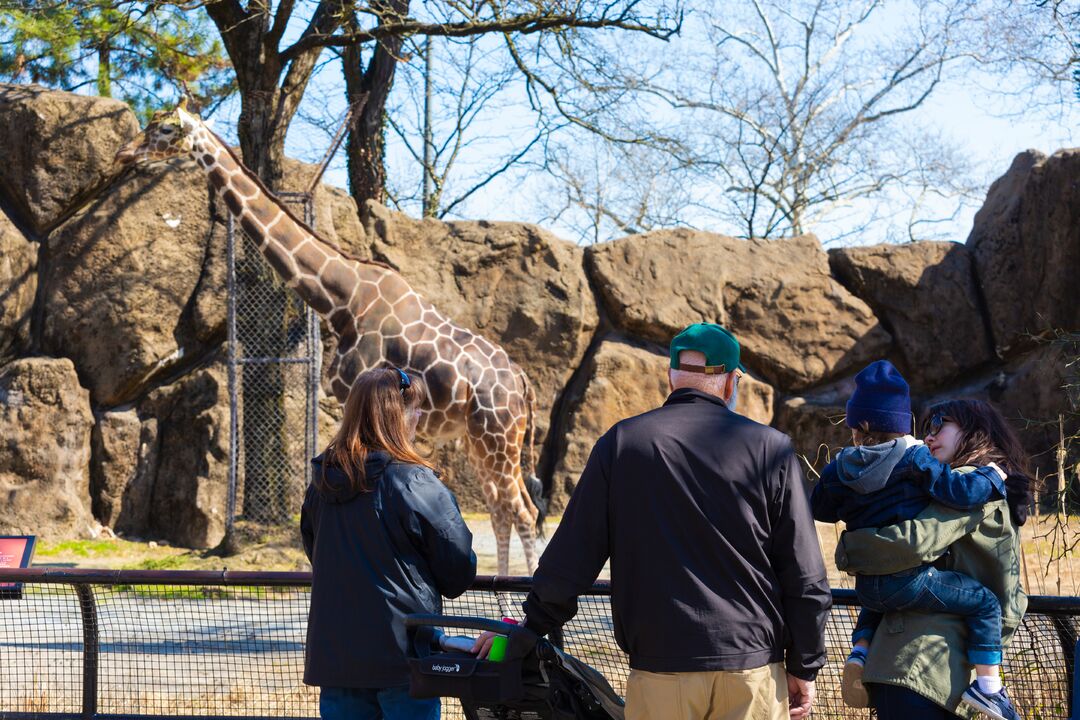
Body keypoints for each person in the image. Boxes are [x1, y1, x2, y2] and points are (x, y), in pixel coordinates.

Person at [476, 323, 832, 720]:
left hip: (660, 669)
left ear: (671, 377)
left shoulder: (621, 444)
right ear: (732, 383)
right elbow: (806, 578)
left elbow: (571, 559)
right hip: (751, 671)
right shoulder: (773, 450)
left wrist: (527, 627)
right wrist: (804, 665)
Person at [810, 361, 1017, 720]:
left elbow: (820, 507)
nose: (929, 436)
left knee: (886, 585)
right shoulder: (929, 468)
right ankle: (990, 689)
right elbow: (916, 543)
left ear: (976, 431)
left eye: (938, 425)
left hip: (899, 637)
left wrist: (850, 543)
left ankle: (859, 649)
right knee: (976, 600)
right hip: (923, 666)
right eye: (924, 428)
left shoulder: (842, 468)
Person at [301, 367, 477, 720]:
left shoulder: (322, 486)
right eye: (415, 409)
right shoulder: (415, 481)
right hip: (404, 660)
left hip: (337, 662)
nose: (420, 416)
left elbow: (314, 550)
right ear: (398, 416)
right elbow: (458, 568)